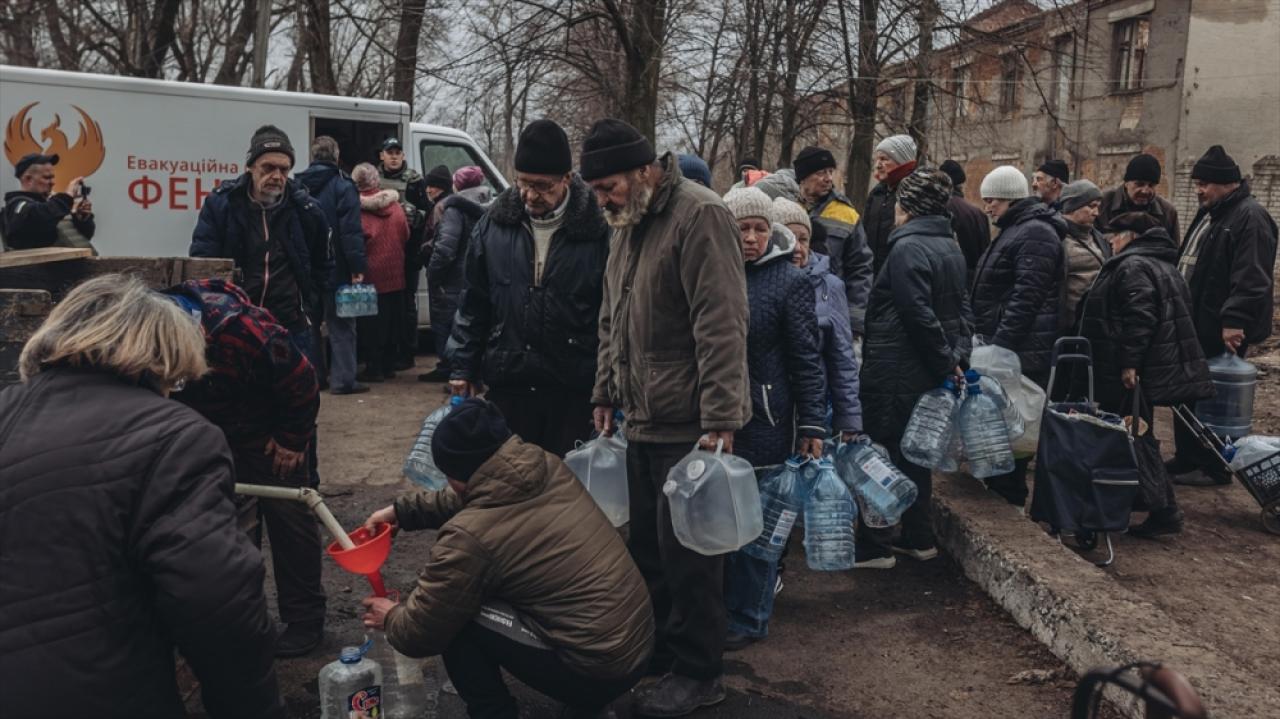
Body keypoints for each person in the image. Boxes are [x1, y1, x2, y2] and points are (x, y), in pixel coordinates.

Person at [0, 275, 283, 718]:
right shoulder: (175, 436)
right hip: (98, 693)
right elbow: (218, 603)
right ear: (166, 354)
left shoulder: (6, 411)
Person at [585, 119, 749, 717]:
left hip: (690, 421)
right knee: (649, 552)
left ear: (643, 170)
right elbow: (613, 315)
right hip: (641, 417)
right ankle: (659, 653)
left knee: (692, 556)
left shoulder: (698, 215)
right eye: (596, 189)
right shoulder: (627, 224)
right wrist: (605, 390)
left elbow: (722, 322)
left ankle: (701, 670)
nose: (601, 199)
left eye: (608, 186)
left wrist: (722, 418)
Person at [358, 398, 655, 719]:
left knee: (456, 615)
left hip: (597, 670)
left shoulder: (470, 537)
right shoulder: (544, 466)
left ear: (456, 474)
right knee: (487, 588)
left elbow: (421, 632)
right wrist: (401, 511)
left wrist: (390, 617)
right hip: (636, 646)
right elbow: (481, 496)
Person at [162, 278, 324, 657]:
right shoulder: (146, 332)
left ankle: (305, 620)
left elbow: (302, 381)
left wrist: (291, 438)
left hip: (267, 433)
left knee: (289, 520)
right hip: (208, 434)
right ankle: (241, 618)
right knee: (221, 528)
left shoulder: (245, 332)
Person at [446, 120, 610, 456]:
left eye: (542, 186)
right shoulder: (493, 225)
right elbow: (474, 302)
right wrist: (464, 367)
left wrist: (609, 388)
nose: (530, 195)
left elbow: (612, 315)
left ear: (567, 178)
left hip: (573, 390)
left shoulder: (599, 231)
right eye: (523, 183)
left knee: (566, 491)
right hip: (509, 384)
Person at [719, 188, 826, 650]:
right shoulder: (714, 273)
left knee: (757, 535)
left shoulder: (789, 281)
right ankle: (721, 611)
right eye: (742, 228)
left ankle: (750, 618)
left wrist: (812, 426)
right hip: (716, 420)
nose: (751, 237)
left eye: (760, 228)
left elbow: (807, 359)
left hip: (767, 419)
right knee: (720, 527)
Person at [857, 169, 973, 568]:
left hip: (895, 368)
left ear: (907, 207)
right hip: (923, 369)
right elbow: (961, 309)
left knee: (879, 453)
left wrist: (947, 359)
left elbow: (917, 314)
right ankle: (918, 537)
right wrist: (956, 356)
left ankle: (874, 544)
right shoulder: (949, 246)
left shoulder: (907, 248)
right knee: (914, 454)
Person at [1076, 212, 1214, 536]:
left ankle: (1155, 510)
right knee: (1136, 435)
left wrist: (1130, 364)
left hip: (1124, 371)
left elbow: (1141, 318)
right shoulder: (1162, 263)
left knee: (1130, 438)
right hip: (1142, 369)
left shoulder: (1133, 266)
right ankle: (1155, 509)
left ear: (1133, 236)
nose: (1110, 240)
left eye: (1117, 234)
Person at [1170, 145, 1278, 486]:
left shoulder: (1249, 217)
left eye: (1205, 183)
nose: (1199, 190)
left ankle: (1213, 465)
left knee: (1215, 397)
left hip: (1221, 328)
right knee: (1189, 391)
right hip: (1198, 321)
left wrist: (1235, 320)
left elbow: (1251, 275)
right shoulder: (1214, 213)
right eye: (1197, 182)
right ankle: (1188, 457)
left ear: (1227, 183)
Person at [190, 124, 331, 371]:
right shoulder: (222, 205)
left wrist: (312, 310)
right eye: (268, 167)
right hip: (236, 325)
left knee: (291, 402)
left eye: (284, 169)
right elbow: (203, 263)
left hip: (290, 326)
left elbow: (322, 265)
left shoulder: (307, 211)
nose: (277, 176)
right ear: (250, 166)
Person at [971, 165, 1065, 507]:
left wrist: (1002, 346)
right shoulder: (1016, 230)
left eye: (992, 200)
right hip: (1010, 348)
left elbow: (1027, 296)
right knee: (1001, 424)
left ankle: (1009, 497)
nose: (987, 207)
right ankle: (999, 487)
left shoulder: (1035, 233)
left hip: (1022, 352)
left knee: (1014, 426)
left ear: (1011, 199)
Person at [777, 196, 862, 440]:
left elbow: (843, 360)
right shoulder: (759, 283)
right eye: (788, 239)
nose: (797, 248)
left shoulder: (829, 286)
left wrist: (849, 421)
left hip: (815, 411)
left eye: (804, 239)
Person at [296, 135, 369, 395]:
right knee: (342, 326)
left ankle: (315, 378)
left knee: (310, 325)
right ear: (336, 157)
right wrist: (357, 266)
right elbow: (350, 231)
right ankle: (343, 380)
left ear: (313, 157)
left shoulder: (297, 184)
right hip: (336, 267)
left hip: (305, 269)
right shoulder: (343, 184)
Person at [418, 166, 493, 383]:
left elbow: (445, 249)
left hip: (450, 281)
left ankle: (452, 372)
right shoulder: (490, 206)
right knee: (471, 326)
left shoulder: (453, 210)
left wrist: (433, 275)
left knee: (447, 327)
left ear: (457, 185)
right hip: (476, 278)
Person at [794, 144, 872, 340]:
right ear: (803, 177)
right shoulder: (787, 208)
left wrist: (855, 320)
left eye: (830, 171)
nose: (828, 178)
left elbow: (861, 269)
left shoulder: (847, 214)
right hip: (792, 310)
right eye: (821, 173)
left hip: (834, 313)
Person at [352, 162, 410, 382]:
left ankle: (374, 368)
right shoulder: (395, 207)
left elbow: (356, 242)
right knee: (392, 322)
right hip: (396, 273)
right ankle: (389, 366)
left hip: (371, 276)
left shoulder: (357, 211)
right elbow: (405, 234)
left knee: (371, 326)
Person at [378, 137, 431, 371]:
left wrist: (413, 215)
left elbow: (426, 213)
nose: (394, 156)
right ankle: (385, 353)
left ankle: (407, 352)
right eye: (389, 152)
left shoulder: (415, 181)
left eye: (397, 152)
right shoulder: (373, 178)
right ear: (381, 155)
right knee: (385, 306)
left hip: (408, 253)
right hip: (381, 254)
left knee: (407, 305)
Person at [2, 152, 95, 251]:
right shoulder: (17, 205)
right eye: (47, 178)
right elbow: (38, 218)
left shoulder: (52, 206)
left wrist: (80, 219)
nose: (52, 182)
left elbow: (83, 238)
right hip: (35, 265)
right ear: (28, 179)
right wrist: (66, 197)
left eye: (52, 177)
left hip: (68, 264)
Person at [1058, 180, 1111, 332]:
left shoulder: (1098, 238)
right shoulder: (1056, 238)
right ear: (1073, 207)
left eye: (1098, 207)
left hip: (1095, 324)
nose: (1096, 213)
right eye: (1091, 206)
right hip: (1068, 327)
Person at [862, 134, 919, 274]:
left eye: (884, 159)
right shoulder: (876, 194)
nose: (877, 165)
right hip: (872, 274)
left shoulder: (914, 194)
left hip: (901, 273)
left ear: (901, 161)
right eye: (876, 159)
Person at [1097, 153, 1180, 239]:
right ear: (1126, 183)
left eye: (1151, 185)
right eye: (1139, 184)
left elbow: (1174, 250)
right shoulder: (1102, 203)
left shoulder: (1168, 212)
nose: (1145, 191)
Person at [940, 159, 990, 283]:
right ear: (962, 184)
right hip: (972, 281)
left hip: (946, 279)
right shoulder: (978, 214)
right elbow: (985, 254)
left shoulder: (937, 208)